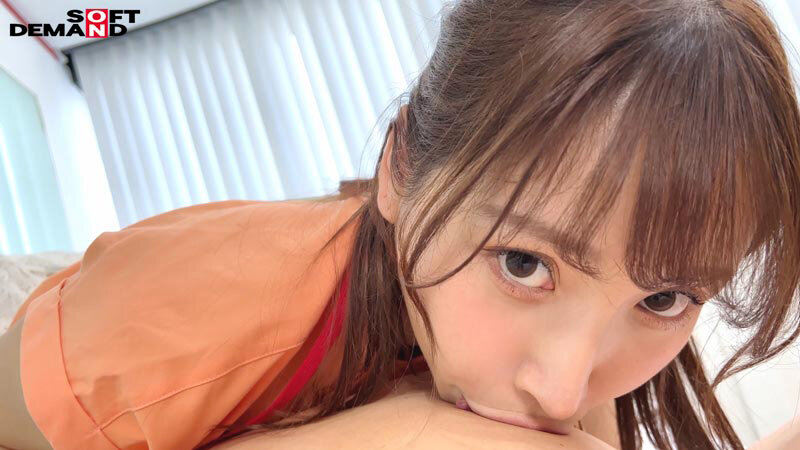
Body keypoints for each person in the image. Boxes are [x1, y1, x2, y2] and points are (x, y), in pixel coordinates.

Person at [2, 0, 800, 448]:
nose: (561, 390)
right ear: (400, 167)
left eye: (663, 299)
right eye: (523, 263)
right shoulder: (159, 328)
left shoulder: (595, 346)